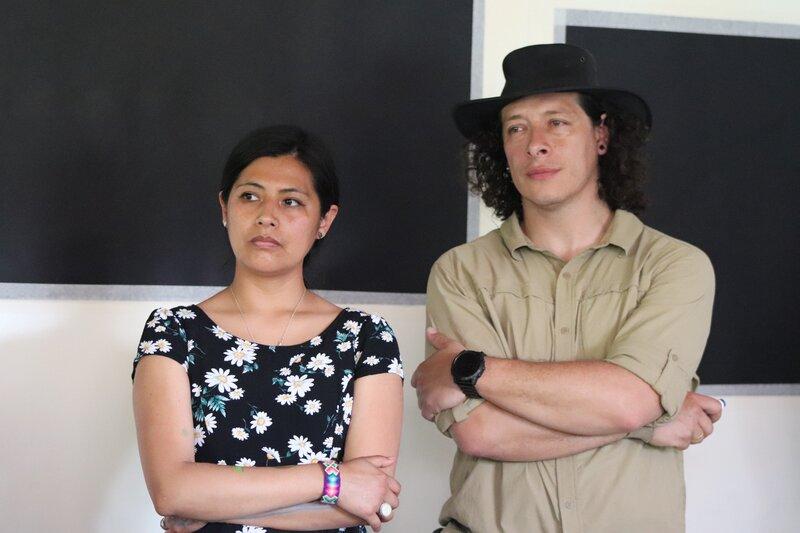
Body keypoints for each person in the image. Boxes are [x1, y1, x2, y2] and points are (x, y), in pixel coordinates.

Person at [411, 44, 723, 533]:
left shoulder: (674, 265)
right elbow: (481, 431)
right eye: (516, 128)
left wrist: (468, 369)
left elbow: (626, 401)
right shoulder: (460, 272)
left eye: (556, 122)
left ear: (600, 135)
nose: (535, 144)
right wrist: (652, 422)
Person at [132, 125, 404, 533]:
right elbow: (172, 491)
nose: (266, 216)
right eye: (249, 196)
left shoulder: (366, 338)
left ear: (325, 220)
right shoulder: (173, 332)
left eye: (290, 201)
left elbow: (369, 499)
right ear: (224, 208)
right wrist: (330, 480)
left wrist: (211, 503)